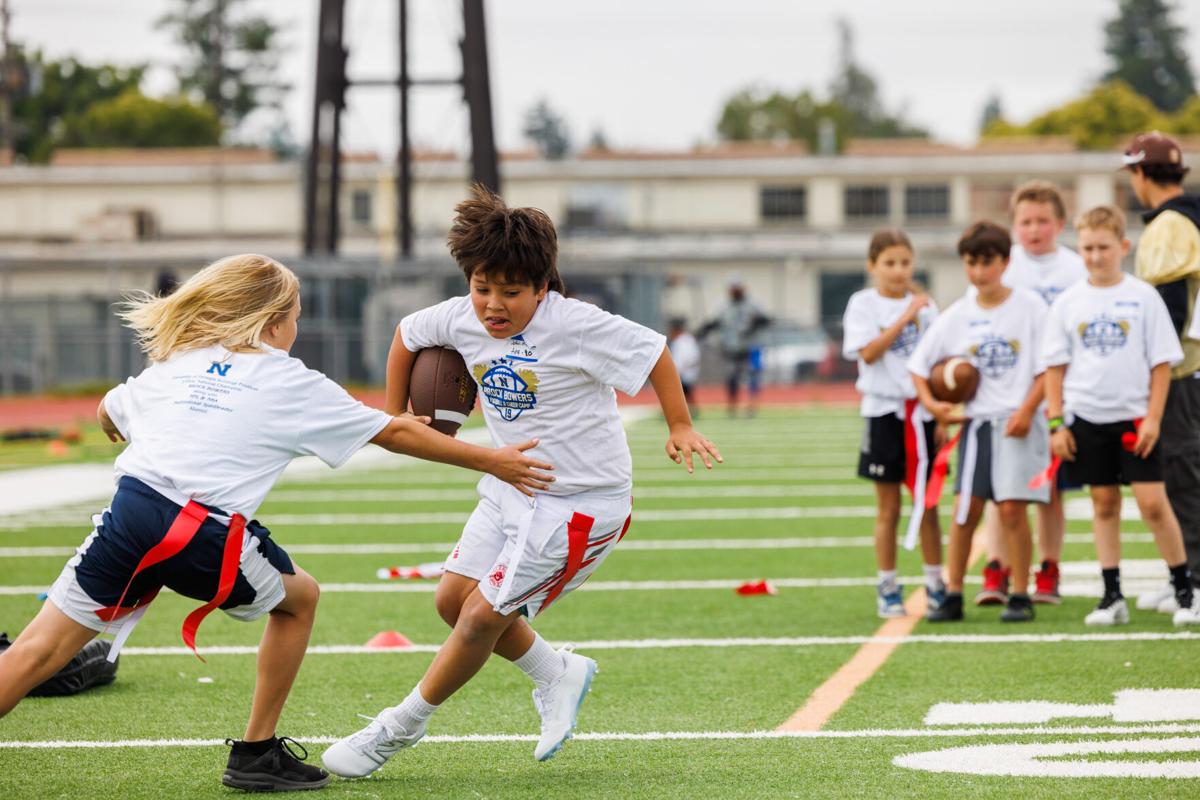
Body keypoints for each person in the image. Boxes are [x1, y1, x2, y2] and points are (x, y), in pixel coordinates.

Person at [0, 254, 554, 792]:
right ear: (272, 320)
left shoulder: (178, 363)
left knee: (34, 653)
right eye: (295, 314)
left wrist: (117, 425)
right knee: (301, 599)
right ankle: (256, 753)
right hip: (200, 530)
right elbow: (396, 435)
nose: (298, 325)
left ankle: (257, 753)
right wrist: (494, 460)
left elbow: (108, 406)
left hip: (131, 513)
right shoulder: (290, 380)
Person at [321, 185, 721, 778]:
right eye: (482, 288)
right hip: (511, 486)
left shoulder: (576, 325)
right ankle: (556, 672)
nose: (493, 305)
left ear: (542, 286)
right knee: (452, 602)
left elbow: (655, 352)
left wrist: (680, 424)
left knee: (482, 616)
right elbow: (407, 334)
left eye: (511, 292)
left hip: (579, 503)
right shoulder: (459, 316)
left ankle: (396, 727)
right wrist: (397, 406)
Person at [1041, 205, 1199, 626]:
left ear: (1122, 247)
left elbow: (1162, 363)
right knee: (1104, 503)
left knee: (1152, 504)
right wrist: (1056, 422)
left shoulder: (1143, 296)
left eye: (1104, 247)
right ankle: (1112, 596)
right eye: (1088, 247)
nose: (1095, 256)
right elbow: (1054, 367)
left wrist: (1152, 418)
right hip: (1088, 418)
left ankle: (1186, 590)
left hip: (1135, 419)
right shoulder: (1069, 303)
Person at [908, 221, 1050, 623]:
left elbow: (1049, 368)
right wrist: (934, 404)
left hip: (1016, 422)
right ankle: (953, 593)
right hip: (975, 424)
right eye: (971, 262)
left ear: (1005, 262)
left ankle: (1020, 592)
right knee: (965, 510)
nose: (978, 271)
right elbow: (919, 366)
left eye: (987, 262)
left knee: (1011, 510)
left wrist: (1027, 410)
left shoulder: (1030, 308)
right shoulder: (959, 313)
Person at [975, 181, 1086, 608]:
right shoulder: (1005, 266)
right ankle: (997, 565)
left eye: (1042, 221)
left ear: (1060, 224)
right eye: (1025, 221)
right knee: (1004, 491)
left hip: (1060, 396)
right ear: (1013, 225)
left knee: (1050, 490)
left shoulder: (1075, 269)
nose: (1034, 229)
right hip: (1009, 396)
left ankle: (1049, 568)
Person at [841, 229, 946, 618]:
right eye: (889, 262)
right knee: (888, 507)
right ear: (873, 266)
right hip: (884, 412)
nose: (898, 270)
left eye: (904, 262)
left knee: (929, 502)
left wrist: (939, 410)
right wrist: (906, 314)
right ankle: (887, 585)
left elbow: (937, 362)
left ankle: (936, 583)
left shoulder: (927, 307)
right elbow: (868, 353)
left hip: (921, 413)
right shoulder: (863, 304)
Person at [1123, 131, 1200, 614]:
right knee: (1180, 471)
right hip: (1189, 366)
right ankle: (1184, 576)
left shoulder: (1170, 225)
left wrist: (1147, 364)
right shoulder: (1184, 218)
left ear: (1139, 173)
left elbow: (1170, 308)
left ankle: (1193, 577)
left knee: (1182, 471)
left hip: (1180, 369)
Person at [697, 279, 770, 417]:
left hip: (752, 347)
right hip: (732, 349)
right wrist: (704, 329)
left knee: (753, 375)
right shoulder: (725, 307)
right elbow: (716, 322)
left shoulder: (753, 305)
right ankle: (732, 405)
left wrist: (755, 324)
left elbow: (766, 320)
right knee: (732, 378)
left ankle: (752, 406)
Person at [668, 317, 701, 418]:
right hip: (685, 371)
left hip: (684, 372)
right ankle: (690, 410)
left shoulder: (683, 341)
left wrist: (676, 370)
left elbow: (685, 358)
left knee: (678, 392)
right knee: (685, 393)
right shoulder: (685, 340)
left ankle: (681, 411)